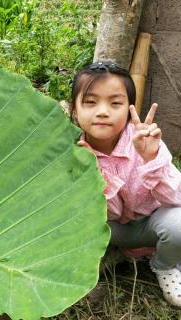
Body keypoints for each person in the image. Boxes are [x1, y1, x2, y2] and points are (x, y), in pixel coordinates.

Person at [69, 60, 181, 307]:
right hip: (112, 230)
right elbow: (107, 213)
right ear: (75, 110)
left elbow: (176, 199)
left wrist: (151, 159)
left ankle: (164, 266)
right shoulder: (74, 152)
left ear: (130, 109)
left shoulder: (145, 141)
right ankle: (113, 254)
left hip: (153, 225)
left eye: (115, 103)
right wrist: (93, 172)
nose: (102, 111)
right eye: (90, 102)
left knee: (179, 224)